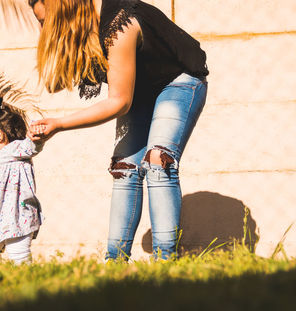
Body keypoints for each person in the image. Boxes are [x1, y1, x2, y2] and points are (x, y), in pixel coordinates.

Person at [30, 0, 208, 260]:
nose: (43, 29)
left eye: (45, 22)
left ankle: (166, 262)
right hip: (143, 91)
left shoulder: (120, 25)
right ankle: (114, 263)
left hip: (178, 82)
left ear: (63, 12)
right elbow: (56, 81)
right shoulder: (88, 31)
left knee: (159, 159)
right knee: (123, 169)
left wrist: (59, 124)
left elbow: (119, 102)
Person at [0, 96, 45, 264]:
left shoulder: (14, 150)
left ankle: (24, 283)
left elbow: (31, 146)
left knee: (18, 253)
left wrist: (37, 137)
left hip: (16, 215)